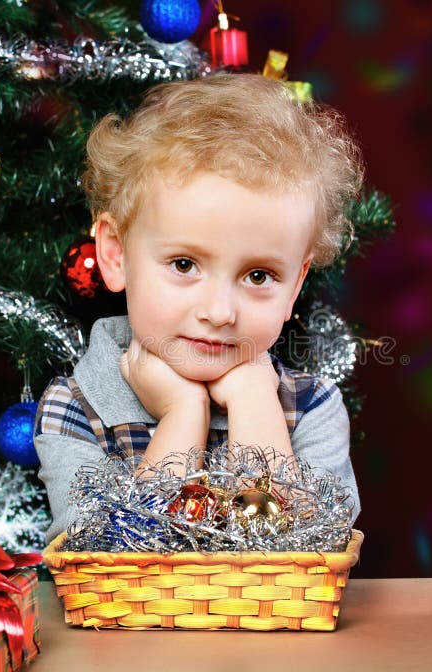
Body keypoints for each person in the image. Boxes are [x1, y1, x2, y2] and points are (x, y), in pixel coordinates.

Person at [35, 73, 364, 541]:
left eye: (258, 276)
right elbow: (107, 556)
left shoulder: (312, 409)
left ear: (295, 287)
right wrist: (181, 415)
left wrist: (254, 403)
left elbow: (306, 554)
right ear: (115, 254)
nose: (219, 312)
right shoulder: (76, 408)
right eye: (185, 264)